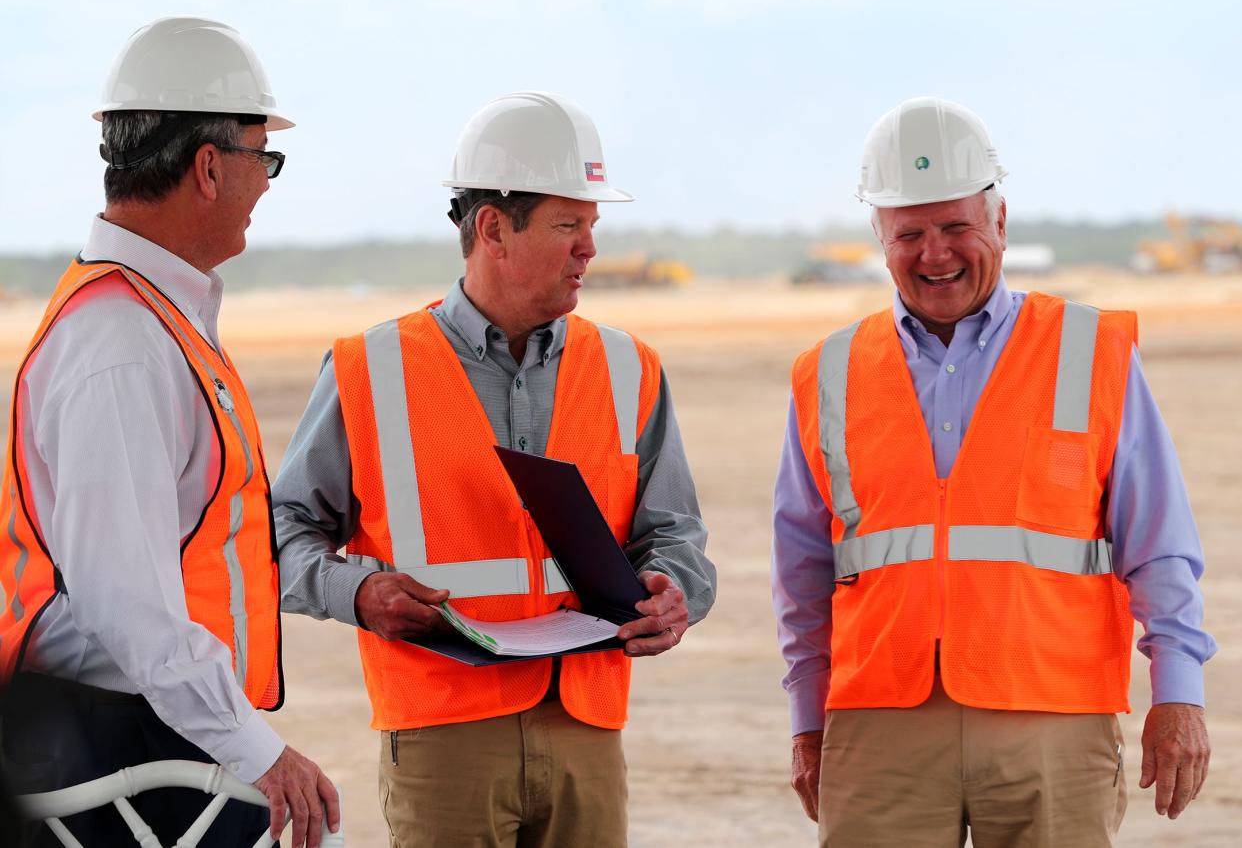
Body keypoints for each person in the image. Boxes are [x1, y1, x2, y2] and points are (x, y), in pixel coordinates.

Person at [274, 90, 715, 848]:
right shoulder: (369, 368)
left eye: (592, 226)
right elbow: (281, 534)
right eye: (569, 225)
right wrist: (359, 592)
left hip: (585, 728)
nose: (590, 249)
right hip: (444, 730)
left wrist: (677, 592)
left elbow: (675, 535)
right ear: (492, 229)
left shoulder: (628, 367)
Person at [771, 96, 1216, 847]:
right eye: (909, 233)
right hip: (880, 723)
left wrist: (1178, 693)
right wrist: (807, 718)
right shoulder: (830, 371)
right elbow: (803, 568)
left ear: (999, 222)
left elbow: (1159, 540)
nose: (935, 253)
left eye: (955, 227)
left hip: (1054, 715)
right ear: (880, 237)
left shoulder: (1090, 351)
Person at [0, 16, 339, 848]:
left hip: (153, 731)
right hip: (122, 751)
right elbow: (128, 607)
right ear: (210, 167)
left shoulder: (144, 318)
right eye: (268, 158)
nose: (269, 184)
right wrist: (261, 750)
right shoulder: (120, 344)